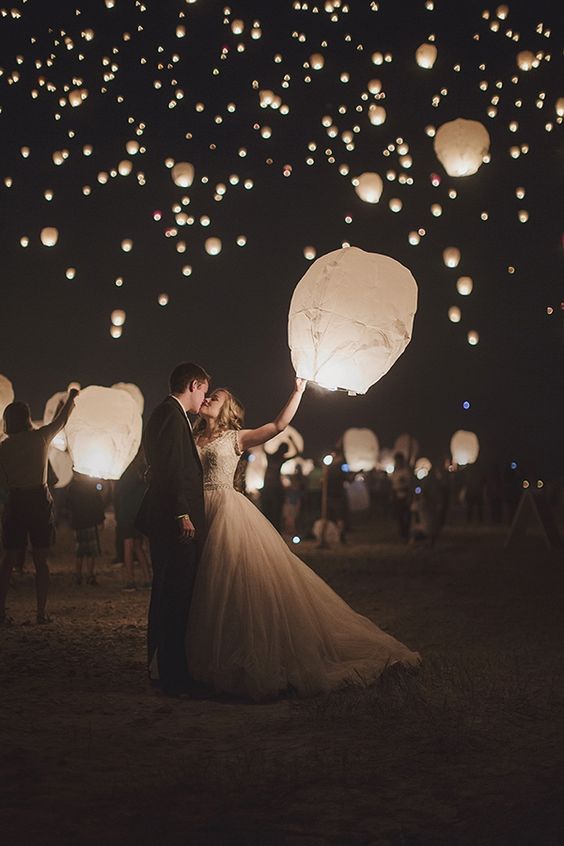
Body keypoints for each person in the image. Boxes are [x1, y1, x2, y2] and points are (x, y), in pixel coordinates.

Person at [187, 380, 420, 701]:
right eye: (209, 395)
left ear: (227, 410)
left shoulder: (235, 437)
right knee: (201, 584)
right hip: (197, 511)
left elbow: (278, 425)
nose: (209, 399)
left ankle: (237, 657)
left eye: (217, 398)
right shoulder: (194, 436)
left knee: (229, 582)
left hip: (226, 510)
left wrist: (297, 391)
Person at [135, 362, 209, 695]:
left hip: (170, 518)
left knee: (171, 595)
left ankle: (164, 670)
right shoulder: (169, 414)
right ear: (194, 384)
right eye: (204, 390)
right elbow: (170, 470)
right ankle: (173, 677)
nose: (203, 398)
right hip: (174, 521)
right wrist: (183, 513)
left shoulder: (170, 415)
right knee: (174, 597)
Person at [0, 390, 78, 624]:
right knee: (41, 560)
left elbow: (2, 481)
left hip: (15, 500)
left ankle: (1, 612)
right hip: (38, 500)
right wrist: (72, 398)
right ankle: (41, 613)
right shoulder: (40, 438)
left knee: (9, 559)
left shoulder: (3, 448)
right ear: (27, 418)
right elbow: (61, 421)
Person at [115, 447, 152, 592]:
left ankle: (130, 580)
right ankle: (148, 578)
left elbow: (119, 492)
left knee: (128, 545)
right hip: (139, 511)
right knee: (138, 546)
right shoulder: (144, 470)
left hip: (127, 512)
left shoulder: (125, 471)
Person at [68, 472, 105, 586]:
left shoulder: (72, 487)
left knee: (80, 552)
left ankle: (78, 576)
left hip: (78, 522)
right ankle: (89, 576)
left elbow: (68, 504)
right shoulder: (91, 486)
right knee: (91, 552)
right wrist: (100, 520)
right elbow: (98, 504)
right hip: (90, 522)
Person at [390, 452, 413, 541]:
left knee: (406, 516)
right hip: (397, 496)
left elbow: (410, 485)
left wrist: (410, 496)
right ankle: (402, 533)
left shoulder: (406, 472)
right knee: (399, 516)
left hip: (405, 495)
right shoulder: (395, 472)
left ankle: (406, 533)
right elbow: (393, 485)